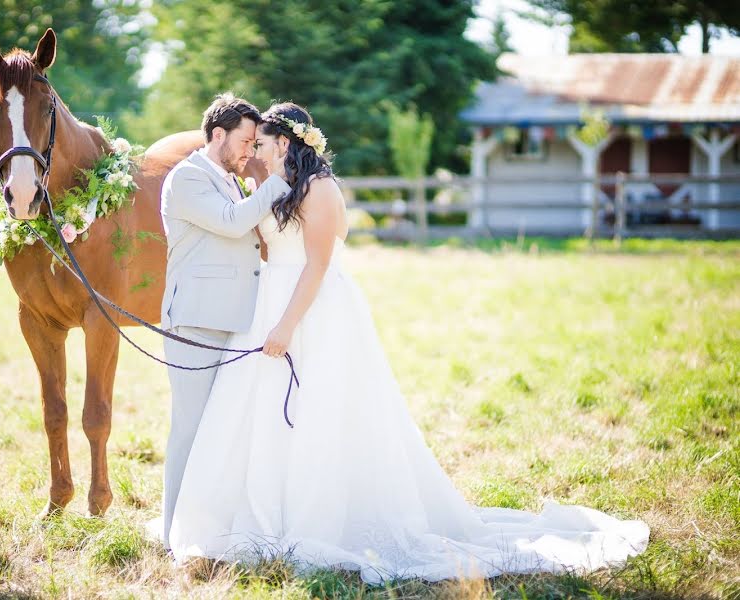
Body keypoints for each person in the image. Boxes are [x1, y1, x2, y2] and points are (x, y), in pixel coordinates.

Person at [165, 102, 650, 583]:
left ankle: (317, 515)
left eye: (264, 145)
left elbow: (317, 264)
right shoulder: (271, 185)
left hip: (309, 310)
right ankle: (261, 511)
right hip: (268, 302)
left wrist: (287, 324)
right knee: (264, 416)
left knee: (318, 411)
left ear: (286, 143)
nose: (257, 155)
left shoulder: (319, 188)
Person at [159, 93, 291, 550]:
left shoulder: (229, 179)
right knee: (190, 429)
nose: (250, 151)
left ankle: (210, 526)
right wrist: (278, 180)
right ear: (218, 135)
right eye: (245, 141)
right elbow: (233, 224)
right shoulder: (187, 178)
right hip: (195, 322)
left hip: (233, 318)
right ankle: (171, 532)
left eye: (256, 143)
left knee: (220, 431)